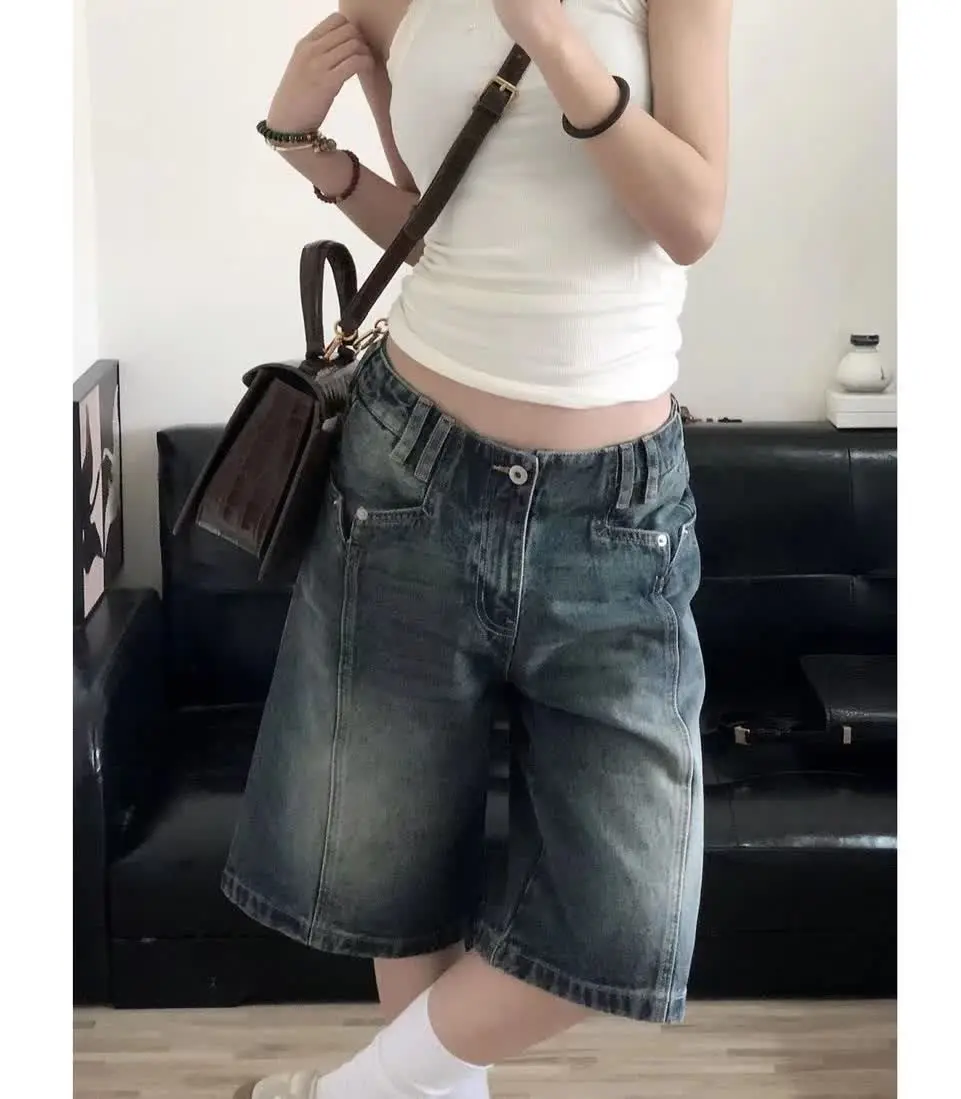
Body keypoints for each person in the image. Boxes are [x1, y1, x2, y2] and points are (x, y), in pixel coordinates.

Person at [227, 1, 732, 1096]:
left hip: (618, 508)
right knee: (393, 864)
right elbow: (435, 222)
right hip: (411, 468)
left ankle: (343, 1094)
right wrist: (310, 151)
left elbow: (690, 219)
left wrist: (550, 36)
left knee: (626, 915)